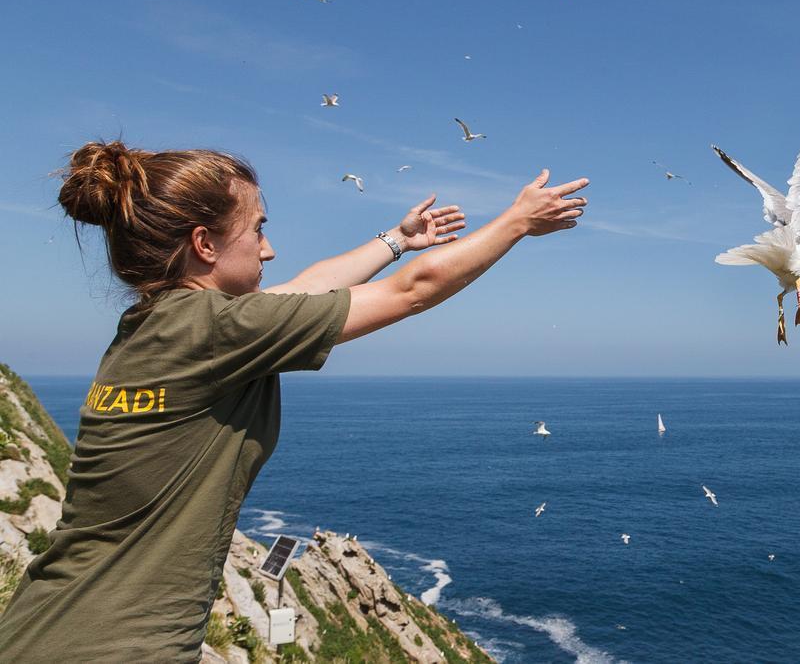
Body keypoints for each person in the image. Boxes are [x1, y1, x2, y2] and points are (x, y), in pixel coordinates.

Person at [0, 140, 588, 661]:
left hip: (42, 625)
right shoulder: (217, 331)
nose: (269, 249)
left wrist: (396, 240)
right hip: (115, 645)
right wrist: (516, 222)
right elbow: (415, 290)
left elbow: (306, 288)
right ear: (204, 243)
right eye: (257, 229)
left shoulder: (157, 325)